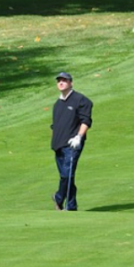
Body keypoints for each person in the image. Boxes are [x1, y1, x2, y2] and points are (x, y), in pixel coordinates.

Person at [50, 71, 93, 211]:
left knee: (66, 174)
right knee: (67, 177)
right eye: (59, 81)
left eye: (64, 80)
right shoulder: (57, 104)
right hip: (58, 145)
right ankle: (71, 205)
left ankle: (60, 198)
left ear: (71, 83)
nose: (61, 83)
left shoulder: (81, 100)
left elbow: (86, 120)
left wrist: (79, 137)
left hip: (72, 144)